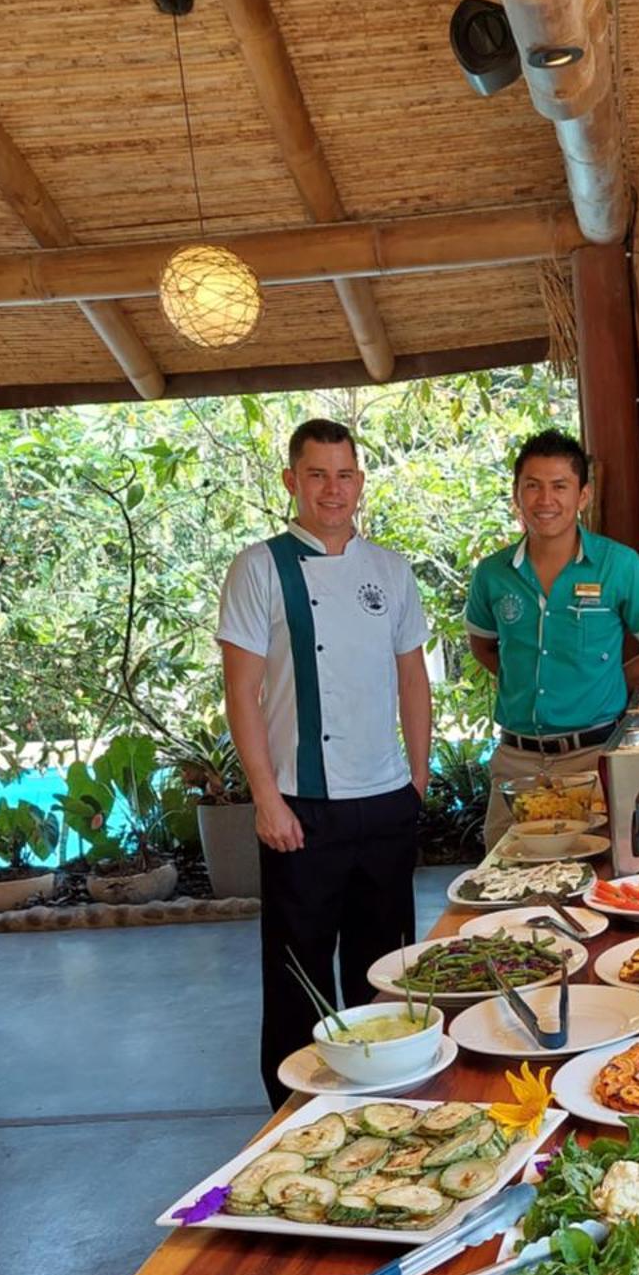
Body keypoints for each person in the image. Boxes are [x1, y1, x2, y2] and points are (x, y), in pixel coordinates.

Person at [217, 417, 432, 1107]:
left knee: (386, 974)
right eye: (317, 474)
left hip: (385, 800)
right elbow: (241, 692)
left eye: (344, 474)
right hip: (301, 810)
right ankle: (295, 1117)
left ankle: (392, 1101)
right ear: (291, 481)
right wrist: (266, 798)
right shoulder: (259, 567)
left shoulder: (390, 570)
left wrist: (419, 780)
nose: (332, 489)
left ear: (360, 483)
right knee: (297, 979)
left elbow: (413, 680)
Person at [465, 429, 639, 846]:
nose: (545, 500)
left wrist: (603, 684)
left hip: (591, 760)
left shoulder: (618, 565)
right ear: (517, 494)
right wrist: (523, 678)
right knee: (507, 880)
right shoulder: (491, 575)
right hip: (516, 764)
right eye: (533, 486)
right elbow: (483, 646)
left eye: (559, 486)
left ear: (583, 496)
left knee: (593, 879)